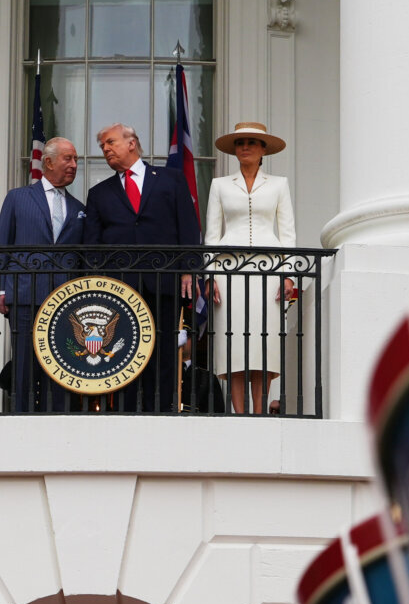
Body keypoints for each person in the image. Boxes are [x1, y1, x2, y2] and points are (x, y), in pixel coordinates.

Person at [83, 122, 204, 414]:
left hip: (163, 281)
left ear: (132, 143)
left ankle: (159, 410)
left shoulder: (170, 179)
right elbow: (91, 246)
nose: (105, 150)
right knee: (122, 350)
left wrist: (189, 269)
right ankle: (124, 411)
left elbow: (188, 226)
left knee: (162, 349)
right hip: (120, 287)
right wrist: (98, 285)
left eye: (110, 142)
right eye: (102, 146)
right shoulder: (99, 193)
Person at [205, 122, 297, 415]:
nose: (245, 146)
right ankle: (238, 414)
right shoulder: (220, 184)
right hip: (227, 270)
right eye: (240, 142)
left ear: (263, 150)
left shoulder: (279, 184)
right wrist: (209, 277)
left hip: (268, 270)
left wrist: (288, 275)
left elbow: (288, 234)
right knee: (231, 345)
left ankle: (259, 412)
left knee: (263, 343)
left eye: (252, 142)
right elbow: (211, 235)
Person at [0, 136, 86, 413]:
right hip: (23, 294)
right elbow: (2, 246)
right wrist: (0, 289)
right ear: (47, 162)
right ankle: (22, 419)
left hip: (65, 299)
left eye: (76, 160)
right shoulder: (18, 198)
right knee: (24, 364)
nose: (73, 165)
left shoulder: (80, 209)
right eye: (68, 159)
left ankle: (57, 420)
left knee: (61, 364)